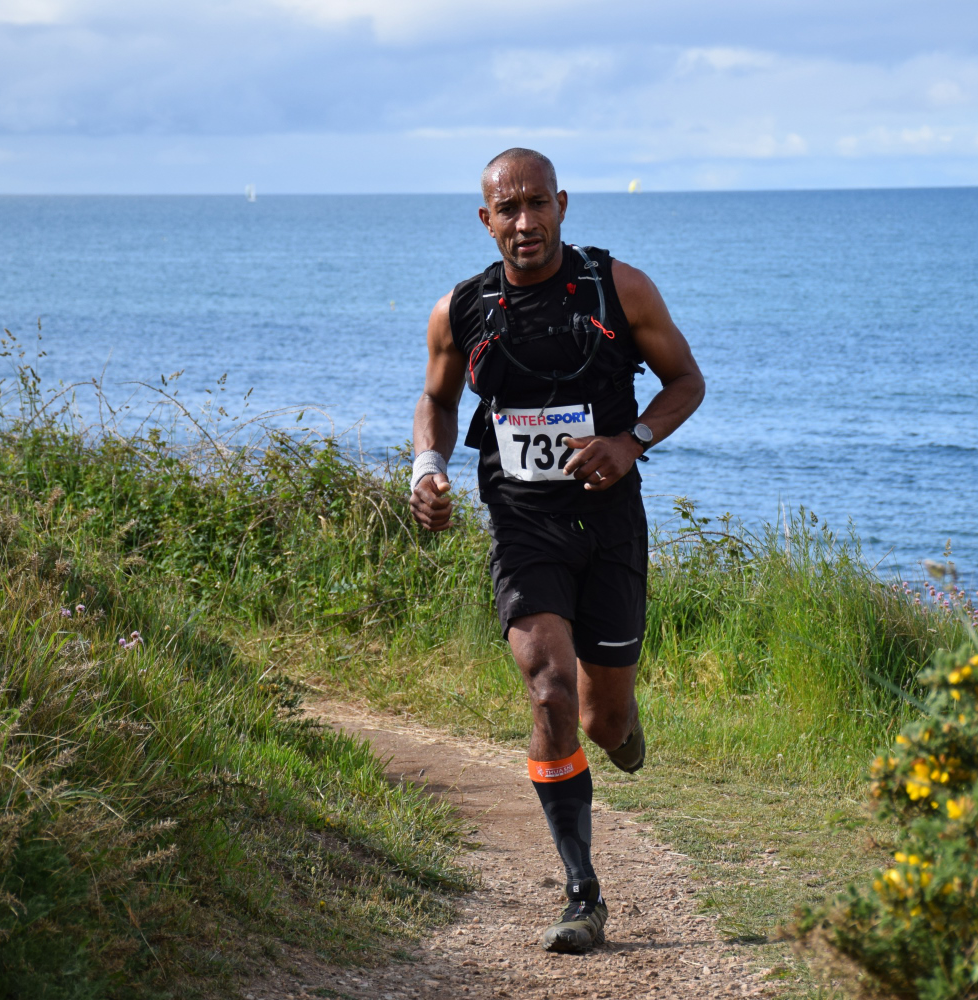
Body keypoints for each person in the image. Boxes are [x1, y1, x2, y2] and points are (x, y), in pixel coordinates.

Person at [409, 148, 705, 953]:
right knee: (548, 690)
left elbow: (686, 381)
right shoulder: (461, 310)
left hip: (609, 523)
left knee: (603, 719)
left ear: (562, 205)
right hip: (521, 523)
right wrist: (428, 467)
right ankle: (583, 894)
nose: (525, 222)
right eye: (507, 209)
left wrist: (630, 442)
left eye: (537, 204)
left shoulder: (619, 289)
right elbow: (436, 397)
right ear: (486, 220)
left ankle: (622, 726)